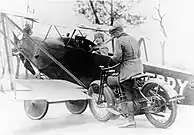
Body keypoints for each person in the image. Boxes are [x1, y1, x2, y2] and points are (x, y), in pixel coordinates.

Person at [109, 23, 143, 128]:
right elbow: (139, 54)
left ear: (118, 32)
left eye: (114, 34)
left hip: (128, 69)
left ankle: (130, 120)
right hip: (138, 67)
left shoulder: (119, 40)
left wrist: (110, 62)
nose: (114, 36)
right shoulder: (133, 38)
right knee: (135, 89)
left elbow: (117, 57)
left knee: (127, 93)